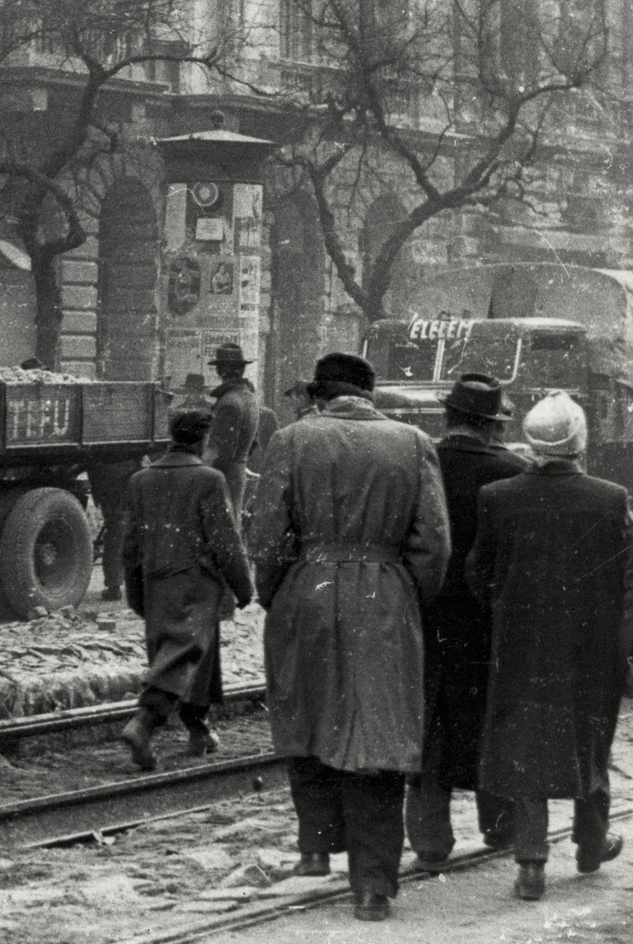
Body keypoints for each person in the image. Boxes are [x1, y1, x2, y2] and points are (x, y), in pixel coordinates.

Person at [246, 352, 450, 923]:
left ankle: (315, 844)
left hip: (306, 591)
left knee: (307, 715)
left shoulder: (290, 440)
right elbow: (434, 544)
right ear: (370, 394)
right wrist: (405, 595)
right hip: (386, 594)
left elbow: (265, 538)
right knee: (378, 734)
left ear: (320, 395)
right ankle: (373, 888)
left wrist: (276, 593)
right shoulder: (413, 443)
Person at [468, 391, 633, 900]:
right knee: (590, 738)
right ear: (579, 442)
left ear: (533, 442)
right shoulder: (611, 498)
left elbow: (481, 573)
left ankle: (531, 862)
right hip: (590, 645)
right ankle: (588, 845)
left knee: (525, 742)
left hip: (521, 641)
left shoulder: (497, 495)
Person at [405, 373, 529, 870]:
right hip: (488, 620)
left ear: (449, 417)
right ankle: (501, 826)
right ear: (493, 426)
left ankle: (431, 844)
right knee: (491, 720)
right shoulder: (514, 470)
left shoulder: (421, 463)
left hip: (427, 614)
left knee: (430, 724)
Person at [119, 408, 252, 770]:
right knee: (184, 652)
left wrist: (134, 593)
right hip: (197, 582)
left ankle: (198, 728)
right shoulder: (209, 479)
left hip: (154, 580)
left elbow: (129, 544)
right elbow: (226, 542)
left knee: (188, 654)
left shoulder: (140, 479)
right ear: (203, 440)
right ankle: (144, 724)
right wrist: (244, 588)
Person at [202, 344, 260, 519]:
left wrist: (200, 475)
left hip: (224, 478)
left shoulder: (228, 403)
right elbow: (254, 442)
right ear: (241, 369)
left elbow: (221, 453)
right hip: (237, 473)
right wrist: (240, 462)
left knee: (220, 525)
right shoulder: (249, 398)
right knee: (232, 525)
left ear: (220, 370)